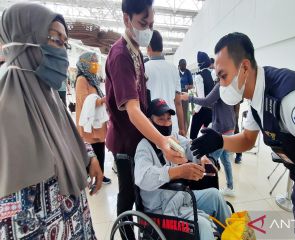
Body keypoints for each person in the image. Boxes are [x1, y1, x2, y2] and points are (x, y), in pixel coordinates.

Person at [190, 32, 295, 239]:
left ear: (244, 67)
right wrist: (219, 140)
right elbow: (247, 139)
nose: (220, 85)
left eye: (223, 76)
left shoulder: (292, 101)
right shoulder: (255, 96)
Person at [0, 3, 103, 239]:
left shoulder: (47, 95)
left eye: (65, 43)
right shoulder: (5, 108)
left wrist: (88, 155)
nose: (63, 52)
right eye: (56, 40)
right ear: (25, 39)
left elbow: (65, 132)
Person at [105, 0, 185, 239]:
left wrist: (163, 130)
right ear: (126, 19)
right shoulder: (120, 56)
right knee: (128, 195)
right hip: (125, 144)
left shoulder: (136, 51)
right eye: (143, 23)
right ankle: (128, 235)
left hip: (140, 139)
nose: (148, 29)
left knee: (143, 194)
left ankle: (145, 233)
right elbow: (132, 109)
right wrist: (161, 141)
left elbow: (142, 102)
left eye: (151, 23)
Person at [134, 98, 231, 240]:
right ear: (149, 122)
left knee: (215, 195)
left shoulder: (173, 138)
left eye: (168, 119)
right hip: (160, 210)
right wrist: (177, 172)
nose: (166, 123)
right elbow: (143, 178)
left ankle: (233, 234)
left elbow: (189, 146)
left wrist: (202, 157)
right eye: (161, 119)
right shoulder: (144, 147)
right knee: (202, 225)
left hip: (179, 198)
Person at [182, 77, 236, 197]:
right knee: (225, 159)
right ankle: (230, 186)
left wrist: (189, 97)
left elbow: (207, 101)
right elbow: (212, 103)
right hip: (229, 126)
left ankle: (211, 191)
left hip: (222, 129)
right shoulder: (229, 85)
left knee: (210, 159)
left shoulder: (221, 85)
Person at [75, 52, 111, 184]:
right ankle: (92, 176)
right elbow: (85, 102)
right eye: (93, 61)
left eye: (96, 61)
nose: (95, 64)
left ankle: (100, 174)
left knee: (100, 149)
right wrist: (103, 100)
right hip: (89, 123)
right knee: (92, 152)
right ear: (85, 63)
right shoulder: (81, 80)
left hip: (97, 122)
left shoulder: (93, 79)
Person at [145, 30, 186, 136]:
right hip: (172, 125)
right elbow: (178, 103)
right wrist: (182, 128)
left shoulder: (144, 69)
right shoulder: (173, 68)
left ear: (149, 47)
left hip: (153, 126)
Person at [189, 51, 214, 140]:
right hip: (212, 110)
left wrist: (195, 110)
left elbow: (201, 98)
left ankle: (195, 153)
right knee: (209, 137)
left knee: (192, 136)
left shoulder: (199, 76)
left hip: (202, 110)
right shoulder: (213, 74)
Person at [179, 58, 193, 132]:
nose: (184, 66)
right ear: (179, 65)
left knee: (184, 112)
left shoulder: (188, 72)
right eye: (182, 65)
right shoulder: (177, 72)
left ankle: (185, 129)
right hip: (177, 94)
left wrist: (187, 86)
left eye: (185, 65)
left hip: (185, 94)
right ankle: (180, 128)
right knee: (178, 111)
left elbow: (192, 85)